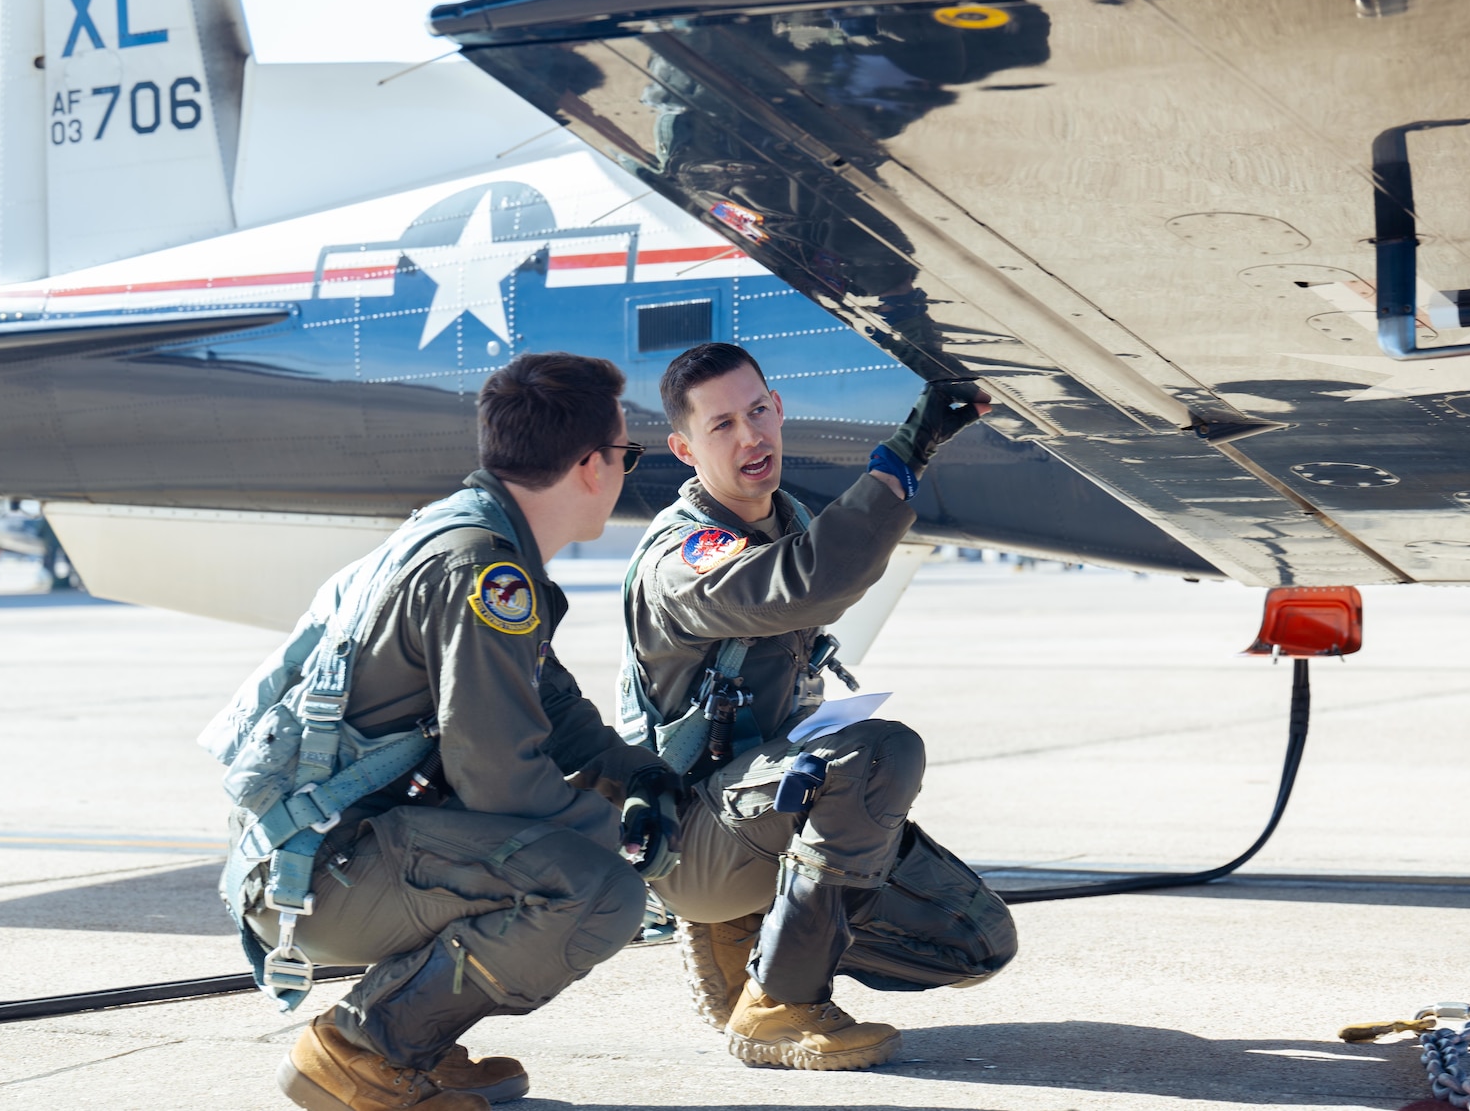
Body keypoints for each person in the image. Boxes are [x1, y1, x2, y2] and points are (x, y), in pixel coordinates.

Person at [201, 352, 675, 1111]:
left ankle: (414, 1037)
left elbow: (549, 703)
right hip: (321, 870)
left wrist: (641, 774)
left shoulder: (467, 534)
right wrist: (630, 844)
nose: (625, 468)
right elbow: (501, 779)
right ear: (592, 465)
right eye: (627, 452)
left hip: (319, 848)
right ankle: (365, 1050)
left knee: (558, 854)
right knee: (596, 892)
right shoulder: (481, 571)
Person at [619, 342, 1018, 1072]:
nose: (750, 436)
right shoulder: (684, 558)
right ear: (684, 449)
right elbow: (808, 580)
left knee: (974, 939)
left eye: (757, 411)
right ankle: (780, 1003)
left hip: (762, 807)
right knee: (878, 753)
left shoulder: (787, 518)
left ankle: (754, 934)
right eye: (721, 425)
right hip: (694, 836)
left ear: (778, 409)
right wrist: (906, 454)